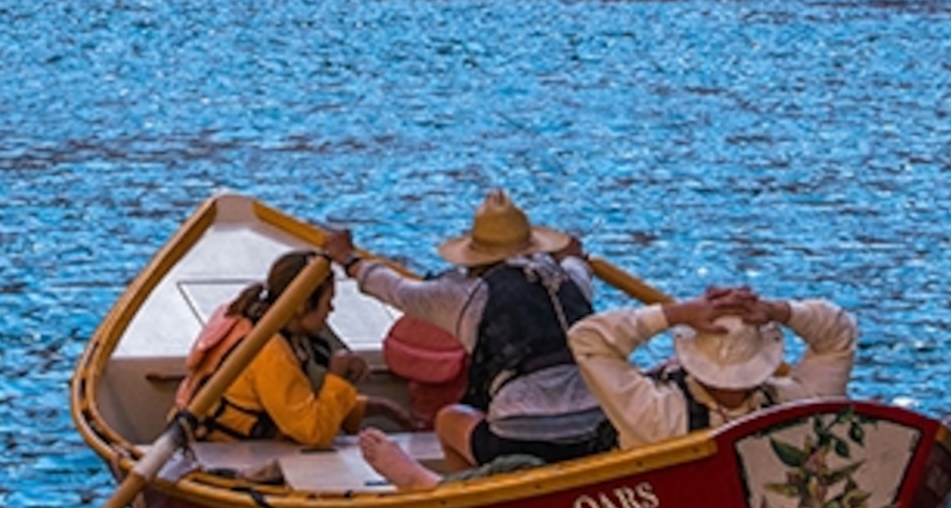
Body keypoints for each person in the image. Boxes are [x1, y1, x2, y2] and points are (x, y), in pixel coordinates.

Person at [324, 190, 616, 484]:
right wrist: (573, 255)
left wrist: (349, 260)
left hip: (520, 438)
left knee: (450, 418)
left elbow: (397, 290)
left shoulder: (464, 294)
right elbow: (576, 260)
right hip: (599, 425)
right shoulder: (569, 279)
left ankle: (462, 491)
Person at [568, 285, 858, 448]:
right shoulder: (800, 406)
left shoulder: (655, 416)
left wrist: (676, 313)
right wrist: (778, 310)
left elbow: (588, 340)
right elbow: (839, 332)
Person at [190, 249, 371, 449]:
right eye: (328, 302)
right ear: (302, 305)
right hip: (228, 454)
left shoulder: (244, 317)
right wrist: (338, 378)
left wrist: (376, 408)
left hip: (207, 445)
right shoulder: (269, 351)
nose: (331, 310)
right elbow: (314, 433)